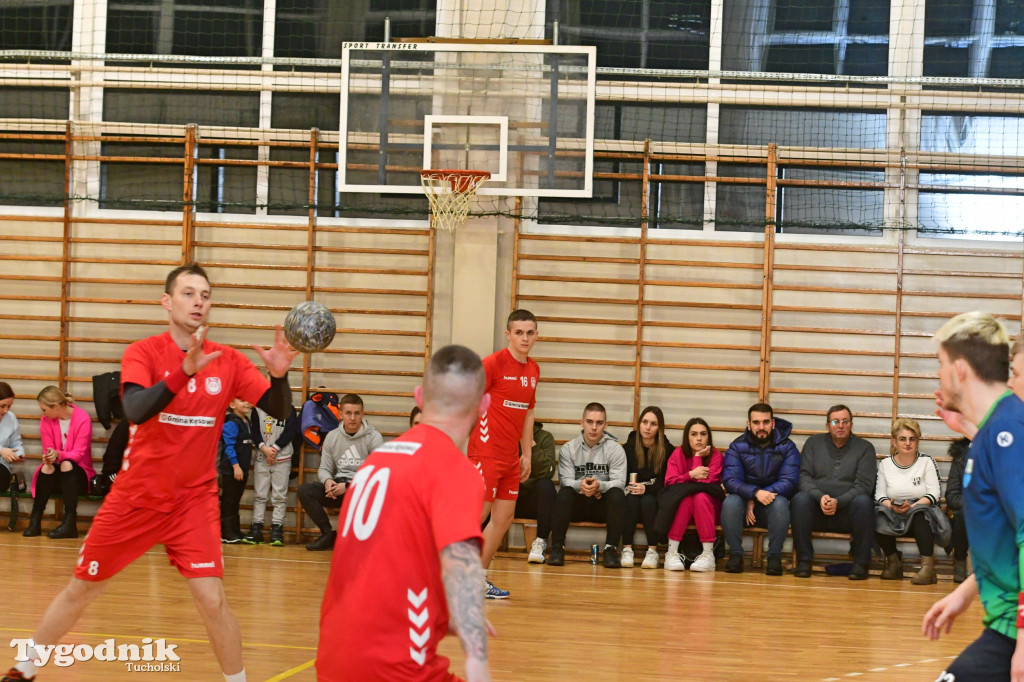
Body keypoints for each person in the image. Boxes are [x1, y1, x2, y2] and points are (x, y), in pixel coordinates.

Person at [2, 263, 296, 682]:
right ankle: (25, 668)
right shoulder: (143, 352)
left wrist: (280, 376)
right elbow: (135, 409)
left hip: (192, 502)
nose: (199, 301)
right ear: (167, 301)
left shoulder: (227, 361)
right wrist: (184, 372)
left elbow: (280, 409)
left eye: (206, 295)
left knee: (212, 600)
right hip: (136, 496)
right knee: (83, 587)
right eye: (189, 293)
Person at [316, 345, 492, 682]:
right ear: (483, 405)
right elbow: (463, 568)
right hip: (396, 668)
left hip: (333, 657)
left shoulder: (376, 461)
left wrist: (442, 614)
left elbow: (389, 559)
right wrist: (478, 664)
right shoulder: (455, 469)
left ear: (419, 397)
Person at [922, 312, 1024, 680]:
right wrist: (965, 594)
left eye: (942, 363)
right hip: (1003, 626)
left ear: (960, 369)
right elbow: (1004, 541)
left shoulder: (1007, 433)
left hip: (1015, 632)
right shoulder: (993, 432)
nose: (939, 373)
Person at [467, 309, 539, 599]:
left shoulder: (533, 370)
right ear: (508, 334)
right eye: (519, 332)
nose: (525, 337)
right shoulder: (492, 364)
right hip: (485, 452)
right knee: (476, 516)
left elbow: (529, 412)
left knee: (504, 517)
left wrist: (527, 454)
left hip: (511, 457)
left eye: (530, 332)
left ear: (536, 335)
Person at [790, 404, 877, 580]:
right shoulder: (813, 444)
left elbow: (864, 486)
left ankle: (861, 564)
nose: (840, 425)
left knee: (864, 502)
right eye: (836, 421)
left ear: (851, 424)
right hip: (817, 510)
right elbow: (803, 478)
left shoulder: (865, 448)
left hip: (848, 513)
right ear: (827, 425)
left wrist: (839, 501)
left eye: (845, 421)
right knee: (799, 499)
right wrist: (820, 497)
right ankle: (804, 561)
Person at [721, 402, 799, 576]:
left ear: (773, 423)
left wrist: (757, 497)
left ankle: (774, 557)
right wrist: (754, 493)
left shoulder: (787, 447)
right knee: (731, 501)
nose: (761, 427)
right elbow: (730, 480)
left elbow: (789, 480)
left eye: (765, 422)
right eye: (756, 423)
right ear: (748, 425)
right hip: (743, 509)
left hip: (771, 506)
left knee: (780, 502)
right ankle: (735, 555)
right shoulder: (737, 446)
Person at [297, 393, 383, 551]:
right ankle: (328, 534)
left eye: (357, 413)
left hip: (362, 490)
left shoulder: (374, 437)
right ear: (341, 414)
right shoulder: (332, 437)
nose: (352, 418)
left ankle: (362, 538)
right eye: (348, 413)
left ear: (362, 414)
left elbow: (377, 473)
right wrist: (328, 482)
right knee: (305, 491)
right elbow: (324, 468)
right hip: (339, 487)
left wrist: (349, 486)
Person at [546, 402, 627, 569]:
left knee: (617, 495)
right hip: (577, 504)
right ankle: (557, 548)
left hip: (602, 505)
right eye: (589, 422)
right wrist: (581, 486)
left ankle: (611, 550)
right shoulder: (569, 448)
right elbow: (565, 480)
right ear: (581, 422)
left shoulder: (615, 449)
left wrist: (600, 486)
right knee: (564, 493)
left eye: (599, 423)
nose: (594, 427)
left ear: (606, 424)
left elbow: (619, 482)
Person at [875, 417, 950, 585]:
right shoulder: (885, 464)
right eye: (902, 439)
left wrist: (913, 506)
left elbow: (934, 494)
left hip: (920, 510)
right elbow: (879, 495)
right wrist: (892, 506)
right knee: (878, 514)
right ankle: (893, 562)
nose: (907, 443)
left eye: (912, 439)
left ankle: (927, 568)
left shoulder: (926, 462)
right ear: (894, 441)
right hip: (894, 511)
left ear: (917, 441)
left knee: (919, 515)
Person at [24, 386, 95, 540]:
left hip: (78, 475)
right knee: (46, 467)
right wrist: (49, 457)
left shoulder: (82, 418)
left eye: (44, 410)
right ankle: (35, 521)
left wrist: (58, 455)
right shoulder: (46, 420)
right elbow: (48, 449)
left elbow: (78, 455)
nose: (43, 413)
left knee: (66, 464)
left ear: (55, 406)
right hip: (58, 473)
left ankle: (70, 523)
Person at [659, 417, 724, 572]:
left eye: (703, 434)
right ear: (687, 437)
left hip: (709, 507)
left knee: (699, 496)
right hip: (683, 507)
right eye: (694, 434)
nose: (699, 438)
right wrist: (690, 475)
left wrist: (697, 459)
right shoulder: (677, 454)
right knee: (686, 497)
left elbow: (706, 482)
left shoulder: (715, 455)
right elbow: (670, 483)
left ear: (709, 436)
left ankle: (708, 555)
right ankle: (672, 552)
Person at [620, 406, 673, 569]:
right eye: (644, 422)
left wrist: (647, 489)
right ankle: (627, 549)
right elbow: (622, 476)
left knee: (648, 501)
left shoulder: (667, 450)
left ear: (659, 427)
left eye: (653, 424)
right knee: (631, 501)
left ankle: (653, 550)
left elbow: (667, 481)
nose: (648, 427)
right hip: (631, 493)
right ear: (639, 423)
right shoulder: (627, 448)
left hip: (654, 494)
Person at [245, 404, 298, 546]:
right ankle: (256, 528)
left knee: (279, 495)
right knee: (260, 495)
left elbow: (290, 431)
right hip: (262, 458)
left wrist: (274, 449)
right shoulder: (257, 410)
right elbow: (255, 432)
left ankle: (277, 529)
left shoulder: (289, 409)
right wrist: (264, 449)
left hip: (283, 458)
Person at [520, 420, 557, 564]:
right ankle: (481, 542)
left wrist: (532, 446)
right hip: (509, 495)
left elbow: (547, 472)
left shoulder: (544, 437)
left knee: (546, 485)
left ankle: (540, 542)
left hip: (533, 498)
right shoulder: (507, 436)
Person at [219, 398, 254, 544]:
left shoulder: (246, 421)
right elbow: (229, 447)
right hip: (231, 470)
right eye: (242, 401)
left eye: (248, 400)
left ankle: (235, 530)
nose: (247, 403)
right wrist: (235, 466)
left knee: (235, 501)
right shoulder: (231, 423)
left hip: (242, 469)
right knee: (229, 500)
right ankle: (226, 533)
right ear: (232, 405)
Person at [943, 436, 971, 584]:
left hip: (995, 509)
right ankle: (959, 560)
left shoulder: (1004, 452)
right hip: (968, 509)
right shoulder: (960, 456)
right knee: (961, 515)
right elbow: (952, 496)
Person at [0, 382, 25, 493]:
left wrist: (19, 454)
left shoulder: (11, 417)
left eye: (9, 406)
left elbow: (16, 443)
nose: (6, 410)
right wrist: (1, 450)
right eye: (2, 406)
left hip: (2, 466)